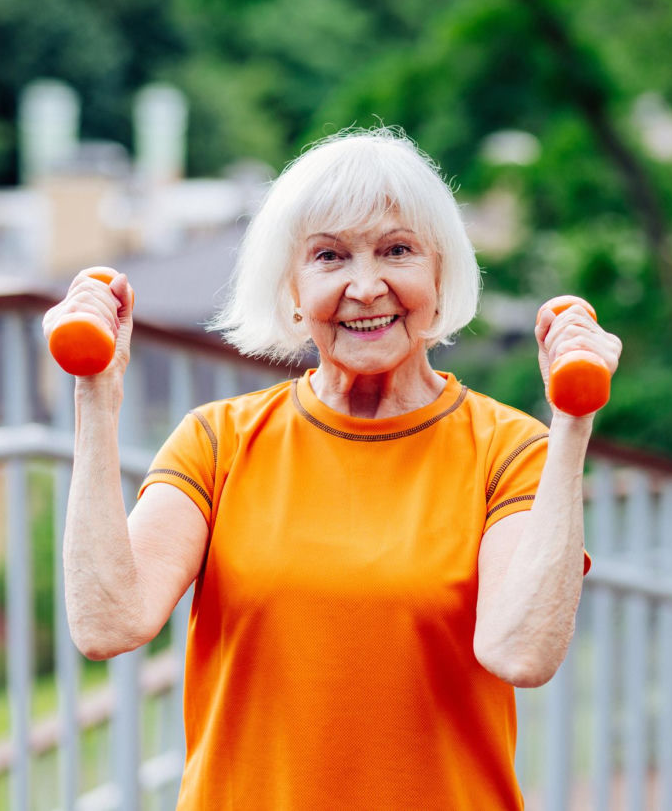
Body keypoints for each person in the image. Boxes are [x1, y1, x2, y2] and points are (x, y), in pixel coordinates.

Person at [44, 127, 622, 810]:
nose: (366, 285)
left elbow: (522, 652)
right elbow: (108, 624)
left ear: (441, 278)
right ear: (292, 291)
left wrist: (571, 426)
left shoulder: (509, 451)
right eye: (330, 256)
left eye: (398, 250)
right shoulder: (218, 442)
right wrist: (97, 400)